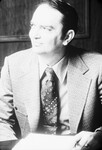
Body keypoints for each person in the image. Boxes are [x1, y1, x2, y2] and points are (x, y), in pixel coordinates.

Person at [0, 0, 102, 149]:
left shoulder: (97, 66)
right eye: (33, 26)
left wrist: (99, 136)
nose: (34, 34)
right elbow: (2, 120)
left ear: (67, 36)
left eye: (46, 29)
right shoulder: (13, 65)